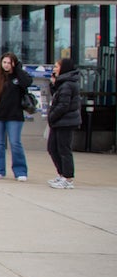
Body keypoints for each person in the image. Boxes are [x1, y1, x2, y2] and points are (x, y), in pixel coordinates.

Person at [0, 52, 32, 181]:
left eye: (9, 63)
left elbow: (27, 83)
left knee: (15, 143)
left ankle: (20, 171)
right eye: (4, 62)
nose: (6, 65)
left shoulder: (18, 77)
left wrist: (18, 69)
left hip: (15, 116)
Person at [46, 56, 81, 189]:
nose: (54, 69)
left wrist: (52, 116)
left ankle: (68, 178)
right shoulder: (63, 83)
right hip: (59, 122)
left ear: (63, 68)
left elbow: (63, 105)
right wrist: (53, 84)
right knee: (53, 148)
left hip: (65, 122)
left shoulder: (68, 84)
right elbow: (56, 97)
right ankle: (62, 174)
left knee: (63, 149)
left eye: (56, 66)